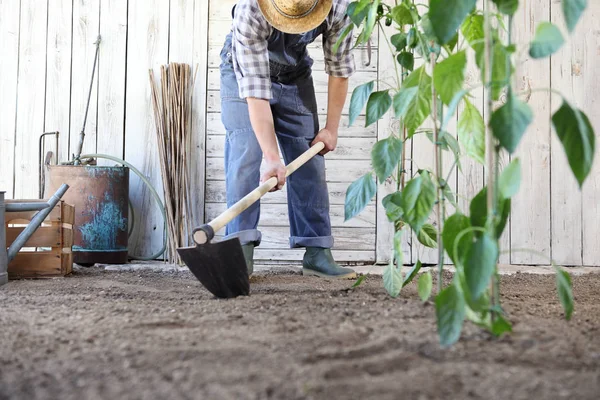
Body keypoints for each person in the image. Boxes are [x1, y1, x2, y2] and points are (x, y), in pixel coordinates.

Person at [219, 0, 357, 278]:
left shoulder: (339, 8)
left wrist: (331, 128)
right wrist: (272, 158)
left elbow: (339, 70)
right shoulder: (251, 11)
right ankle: (240, 254)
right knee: (246, 152)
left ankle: (317, 252)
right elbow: (255, 93)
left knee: (310, 159)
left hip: (295, 75)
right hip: (241, 76)